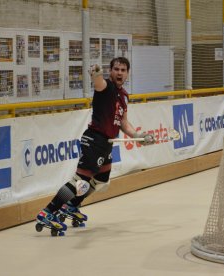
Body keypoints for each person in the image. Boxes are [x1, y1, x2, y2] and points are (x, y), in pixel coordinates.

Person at [36, 57, 155, 233]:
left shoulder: (124, 96)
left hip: (107, 144)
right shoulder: (106, 87)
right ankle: (48, 212)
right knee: (80, 181)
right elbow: (98, 82)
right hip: (94, 140)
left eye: (123, 70)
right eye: (116, 69)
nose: (119, 72)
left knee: (101, 180)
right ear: (111, 71)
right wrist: (95, 73)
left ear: (128, 73)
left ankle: (70, 206)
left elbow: (123, 122)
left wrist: (139, 136)